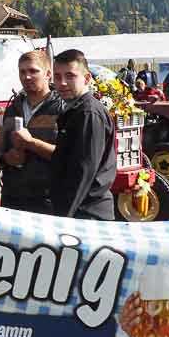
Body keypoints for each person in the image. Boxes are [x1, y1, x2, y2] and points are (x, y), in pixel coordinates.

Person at [49, 49, 117, 220]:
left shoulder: (88, 113)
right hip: (80, 210)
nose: (62, 83)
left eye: (70, 76)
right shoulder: (74, 110)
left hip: (86, 214)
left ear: (86, 78)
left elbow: (83, 171)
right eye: (57, 77)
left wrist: (63, 218)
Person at [0, 50, 64, 214]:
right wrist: (6, 158)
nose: (27, 77)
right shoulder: (12, 109)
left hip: (49, 201)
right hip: (12, 198)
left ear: (48, 74)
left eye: (33, 71)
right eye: (22, 72)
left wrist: (31, 144)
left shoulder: (63, 109)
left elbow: (70, 157)